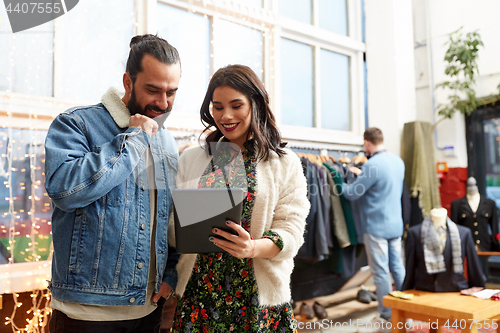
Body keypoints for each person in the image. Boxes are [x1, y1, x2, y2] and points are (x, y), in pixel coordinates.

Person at [44, 34, 181, 333]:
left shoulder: (168, 142)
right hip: (86, 316)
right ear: (128, 83)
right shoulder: (75, 124)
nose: (163, 102)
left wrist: (170, 274)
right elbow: (65, 191)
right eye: (153, 90)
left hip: (148, 312)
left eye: (172, 92)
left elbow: (170, 219)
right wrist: (133, 139)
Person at [170, 65, 310, 332]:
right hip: (199, 297)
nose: (226, 115)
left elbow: (292, 230)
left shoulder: (283, 163)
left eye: (237, 105)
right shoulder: (192, 158)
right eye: (218, 106)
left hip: (258, 304)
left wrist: (253, 248)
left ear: (255, 104)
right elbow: (172, 224)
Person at [342, 127, 406, 322]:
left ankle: (387, 314)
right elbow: (382, 184)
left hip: (377, 226)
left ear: (367, 143)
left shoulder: (372, 165)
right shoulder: (398, 161)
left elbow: (352, 194)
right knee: (398, 268)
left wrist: (339, 182)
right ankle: (406, 308)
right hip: (396, 224)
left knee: (380, 272)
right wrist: (363, 174)